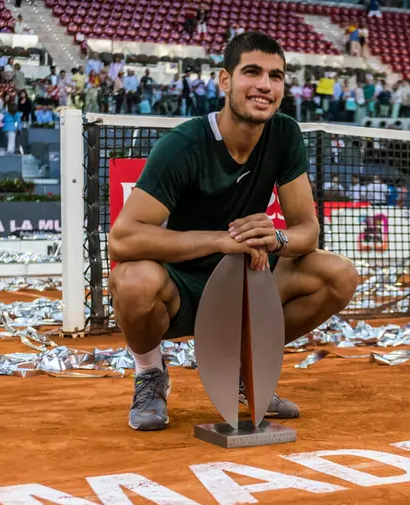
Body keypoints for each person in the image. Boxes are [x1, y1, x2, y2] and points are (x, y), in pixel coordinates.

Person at [108, 32, 359, 432]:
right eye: (252, 72)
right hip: (182, 288)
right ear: (225, 81)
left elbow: (306, 230)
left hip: (250, 281)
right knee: (133, 281)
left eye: (275, 76)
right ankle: (150, 374)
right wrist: (224, 240)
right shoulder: (183, 145)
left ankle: (248, 369)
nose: (265, 85)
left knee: (339, 274)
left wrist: (274, 238)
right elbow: (122, 238)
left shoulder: (284, 133)